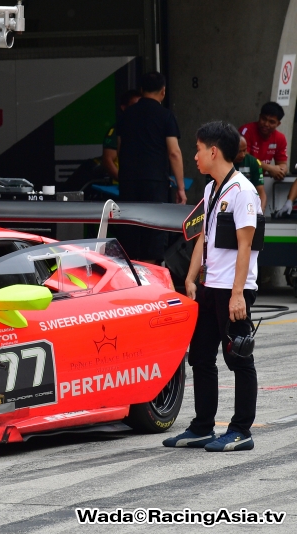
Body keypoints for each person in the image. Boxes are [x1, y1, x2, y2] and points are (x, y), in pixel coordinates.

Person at [164, 121, 261, 452]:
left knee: (239, 358)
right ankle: (203, 426)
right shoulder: (210, 190)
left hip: (234, 290)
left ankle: (241, 430)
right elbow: (204, 237)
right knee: (201, 356)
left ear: (214, 151)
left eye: (198, 149)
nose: (195, 156)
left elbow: (245, 246)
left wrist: (237, 294)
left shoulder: (243, 192)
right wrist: (192, 277)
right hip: (209, 287)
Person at [116, 71, 186, 264]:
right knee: (154, 228)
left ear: (141, 90)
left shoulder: (126, 115)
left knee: (129, 227)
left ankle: (130, 274)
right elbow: (174, 152)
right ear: (163, 92)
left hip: (128, 181)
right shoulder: (165, 116)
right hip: (155, 181)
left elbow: (120, 148)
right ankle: (150, 275)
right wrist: (180, 187)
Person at [239, 102, 288, 181]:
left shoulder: (280, 138)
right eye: (263, 119)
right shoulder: (246, 131)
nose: (266, 124)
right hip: (241, 176)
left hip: (260, 179)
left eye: (271, 122)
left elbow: (282, 163)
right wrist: (269, 168)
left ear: (278, 124)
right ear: (259, 117)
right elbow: (245, 158)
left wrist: (281, 171)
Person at [102, 89, 142, 182]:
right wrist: (124, 182)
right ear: (124, 107)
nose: (138, 109)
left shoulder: (146, 127)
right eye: (135, 105)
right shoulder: (117, 129)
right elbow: (107, 161)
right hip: (119, 188)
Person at [233, 136, 266, 208]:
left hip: (248, 204)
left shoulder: (253, 162)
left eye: (244, 150)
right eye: (239, 151)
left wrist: (260, 215)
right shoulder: (219, 163)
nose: (242, 155)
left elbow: (261, 193)